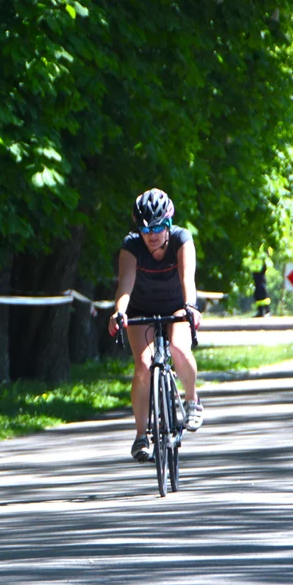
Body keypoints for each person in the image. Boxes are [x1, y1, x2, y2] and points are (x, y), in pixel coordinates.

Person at [107, 188, 203, 463]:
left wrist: (191, 308)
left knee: (178, 348)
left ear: (169, 223)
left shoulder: (181, 239)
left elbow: (188, 279)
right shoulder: (132, 245)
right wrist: (119, 313)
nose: (152, 234)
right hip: (141, 308)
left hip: (176, 305)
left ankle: (193, 400)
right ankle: (141, 435)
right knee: (143, 364)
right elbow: (125, 283)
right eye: (146, 228)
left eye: (159, 227)